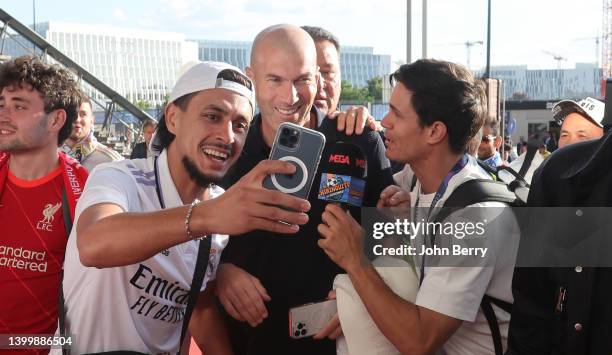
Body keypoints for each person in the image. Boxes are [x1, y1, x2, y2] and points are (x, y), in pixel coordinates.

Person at [58, 61, 312, 354]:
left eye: (240, 125)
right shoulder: (120, 176)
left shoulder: (221, 208)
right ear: (173, 118)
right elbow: (93, 244)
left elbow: (199, 308)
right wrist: (207, 216)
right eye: (212, 116)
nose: (228, 136)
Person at [317, 59, 520, 355]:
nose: (384, 121)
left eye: (397, 114)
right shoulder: (414, 180)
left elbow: (419, 341)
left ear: (434, 132)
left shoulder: (475, 218)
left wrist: (355, 259)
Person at [215, 25, 393, 355]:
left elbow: (397, 243)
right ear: (251, 77)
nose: (290, 96)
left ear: (318, 79)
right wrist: (220, 275)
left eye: (302, 80)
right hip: (250, 342)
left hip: (344, 342)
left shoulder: (360, 141)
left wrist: (360, 290)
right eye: (275, 80)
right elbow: (194, 241)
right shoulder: (226, 154)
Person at [507, 99, 612, 355]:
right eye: (564, 134)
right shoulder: (550, 177)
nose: (570, 142)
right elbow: (532, 298)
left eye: (582, 135)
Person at [0, 55, 88, 352]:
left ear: (56, 119)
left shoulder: (85, 190)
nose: (4, 114)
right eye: (2, 104)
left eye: (19, 106)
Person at [61, 97, 123, 171]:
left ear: (92, 120)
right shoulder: (49, 157)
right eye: (72, 114)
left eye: (83, 114)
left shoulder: (111, 161)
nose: (77, 119)